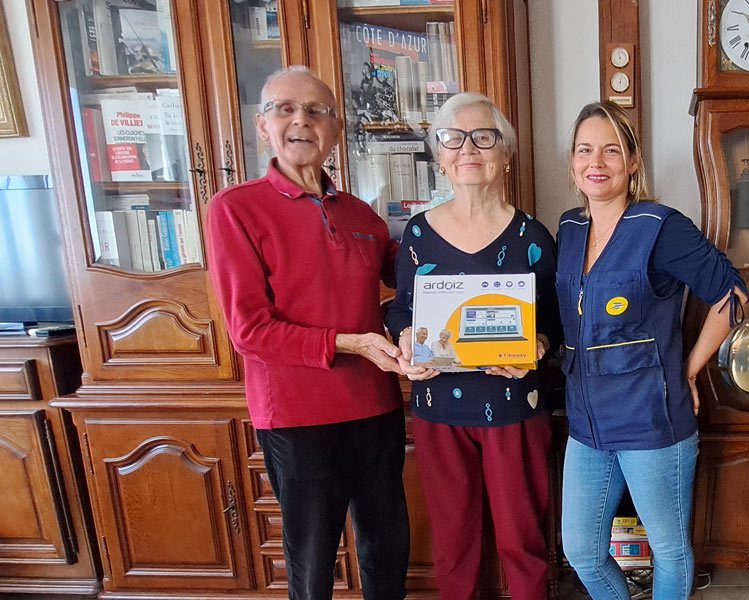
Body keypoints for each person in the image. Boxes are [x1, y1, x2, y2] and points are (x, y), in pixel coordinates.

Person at [205, 65, 409, 600]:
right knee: (313, 557)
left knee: (386, 545)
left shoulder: (361, 213)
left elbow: (415, 279)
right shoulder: (234, 209)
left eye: (317, 111)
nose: (302, 120)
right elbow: (249, 330)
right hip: (297, 416)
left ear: (337, 129)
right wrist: (349, 343)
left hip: (376, 406)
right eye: (286, 109)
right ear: (261, 125)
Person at [556, 101, 747, 600]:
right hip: (586, 421)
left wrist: (689, 368)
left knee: (669, 549)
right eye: (585, 150)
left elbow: (733, 296)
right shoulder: (569, 230)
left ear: (633, 161)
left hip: (652, 420)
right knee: (581, 550)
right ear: (573, 162)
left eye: (611, 150)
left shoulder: (661, 227)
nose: (596, 162)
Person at [385, 91, 561, 600]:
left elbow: (553, 321)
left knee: (521, 540)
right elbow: (403, 309)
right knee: (455, 544)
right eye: (453, 138)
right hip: (438, 408)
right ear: (439, 155)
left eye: (484, 137)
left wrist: (538, 344)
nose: (468, 149)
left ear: (505, 152)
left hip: (514, 408)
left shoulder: (533, 235)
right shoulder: (418, 233)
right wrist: (403, 342)